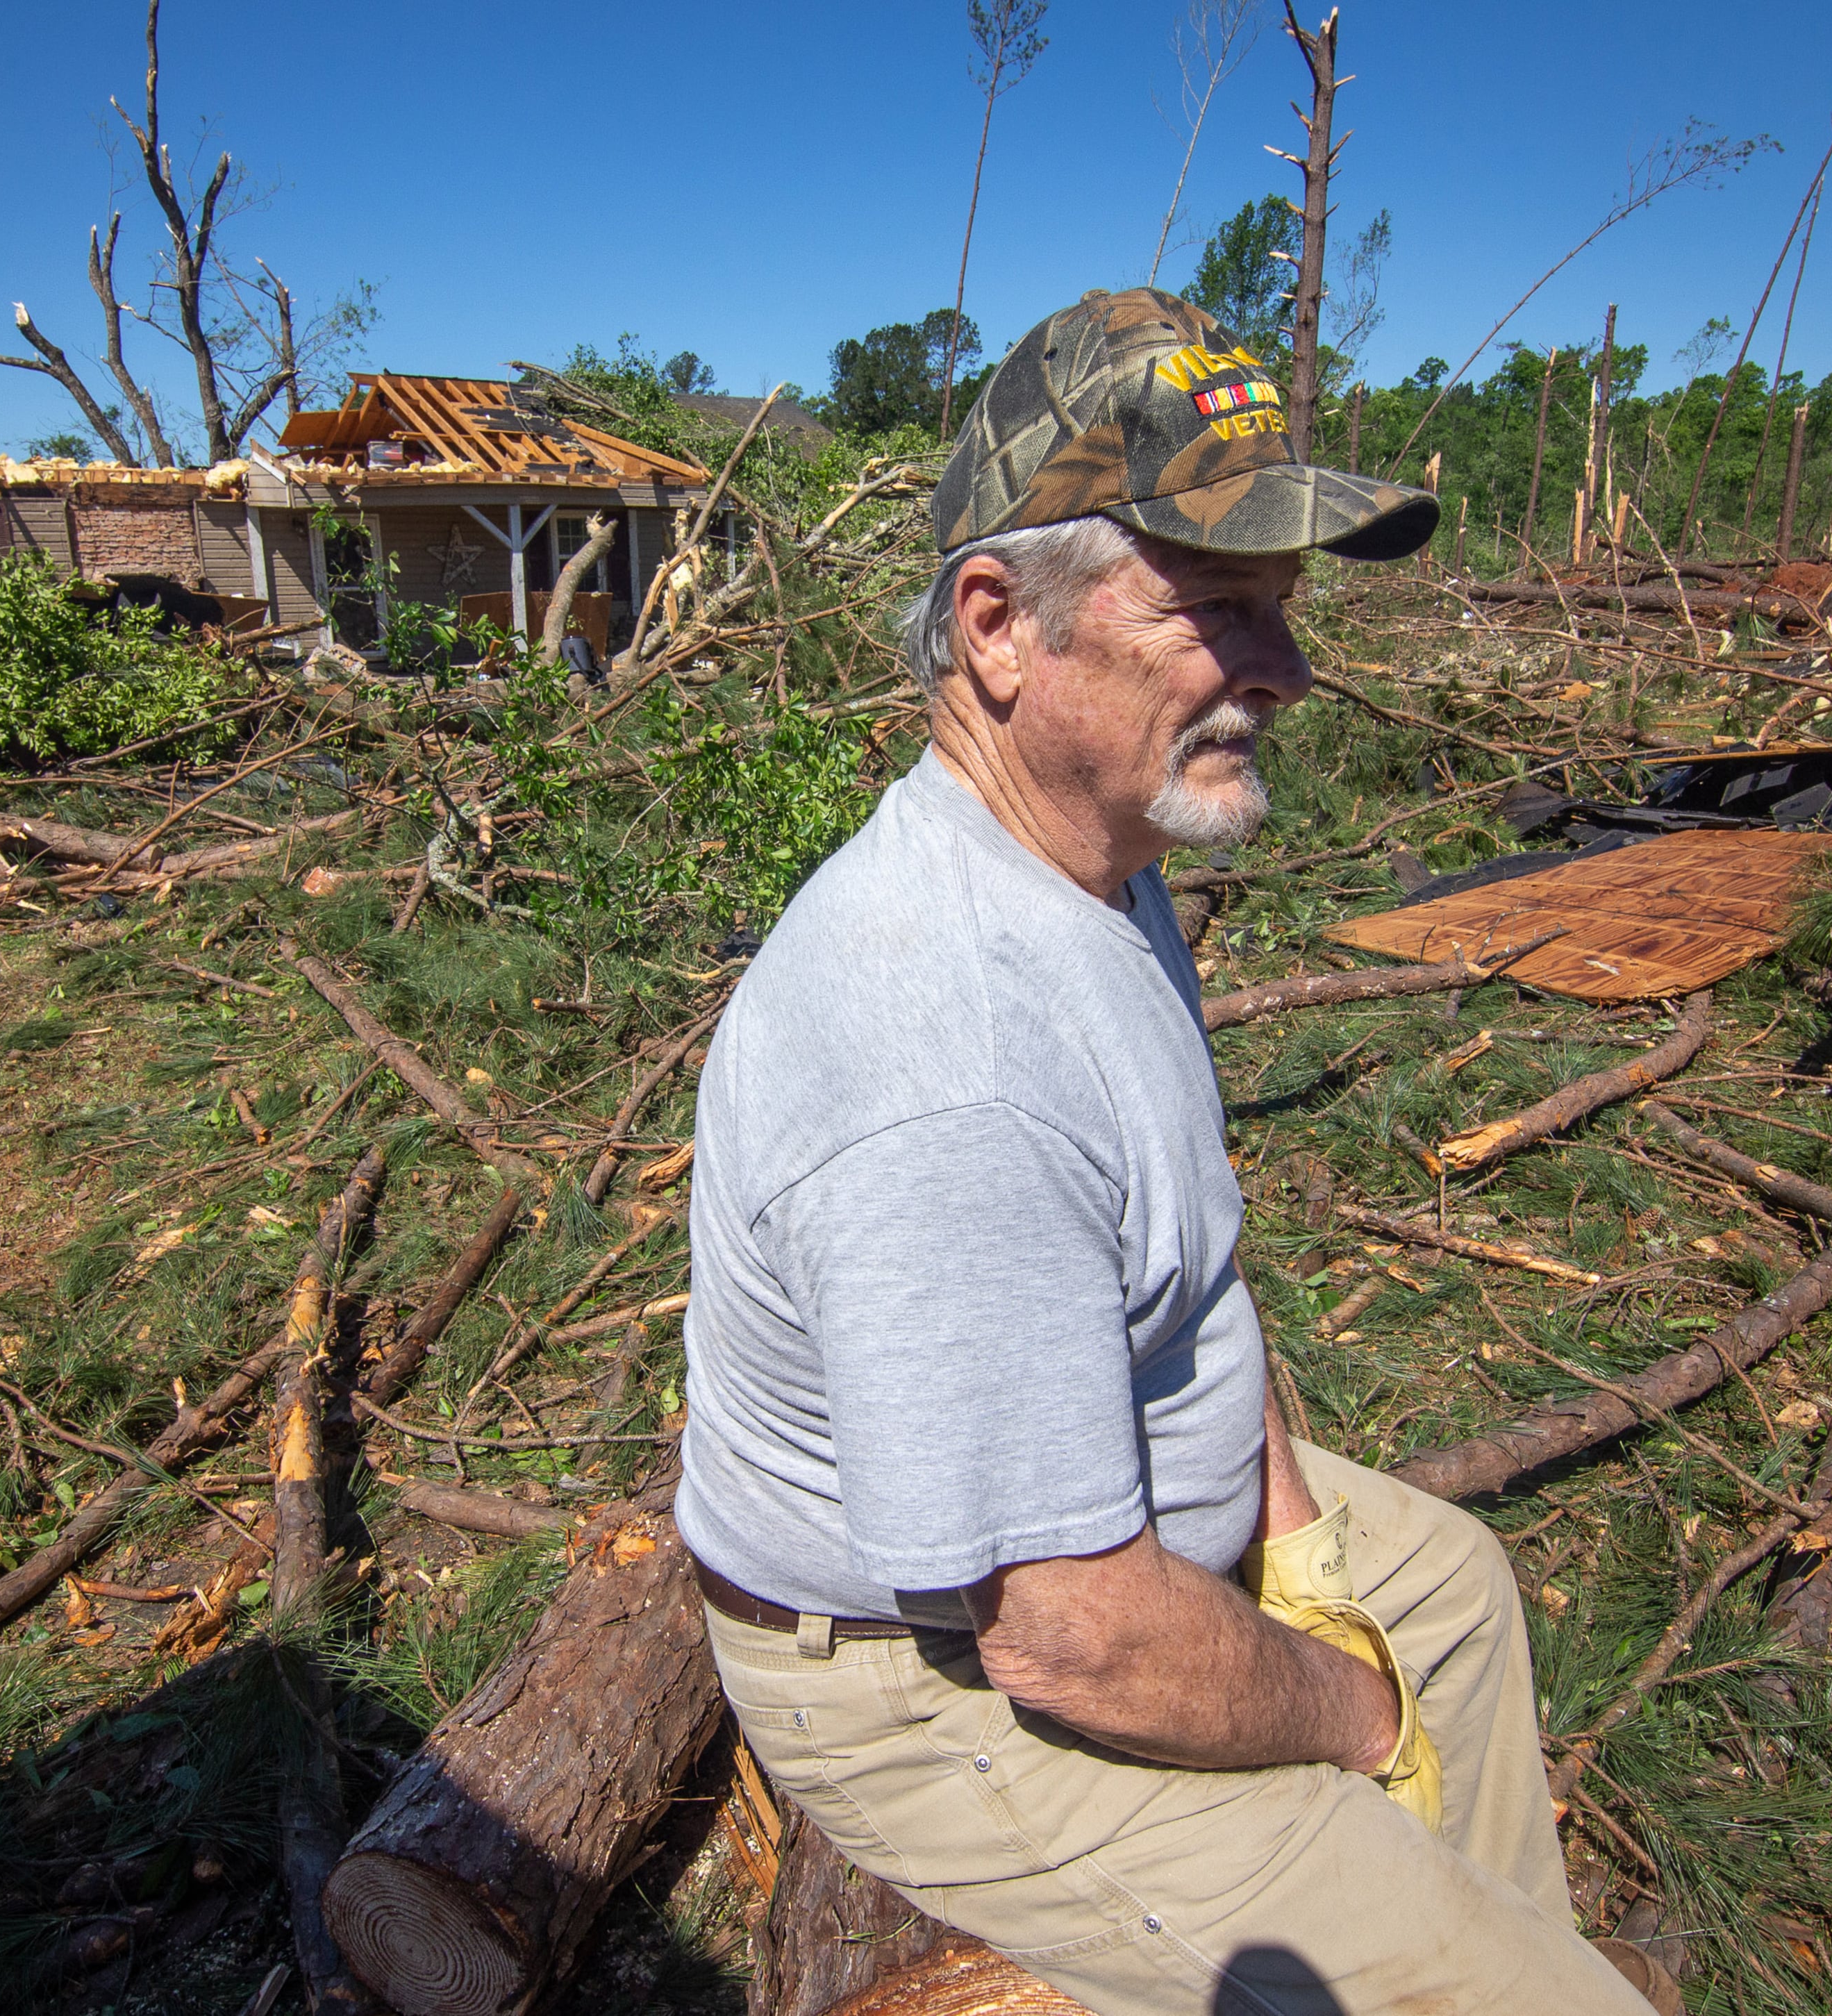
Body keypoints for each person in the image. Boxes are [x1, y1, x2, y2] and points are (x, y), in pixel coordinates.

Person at [674, 288, 1665, 2016]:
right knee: (1413, 1751)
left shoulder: (1098, 861)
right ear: (997, 625)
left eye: (1283, 608)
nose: (1283, 672)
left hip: (1113, 1555)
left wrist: (1285, 1515)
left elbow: (1192, 1273)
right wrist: (1350, 1711)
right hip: (952, 1690)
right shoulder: (946, 1067)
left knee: (1457, 1585)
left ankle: (1508, 1949)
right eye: (1216, 607)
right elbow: (1063, 1637)